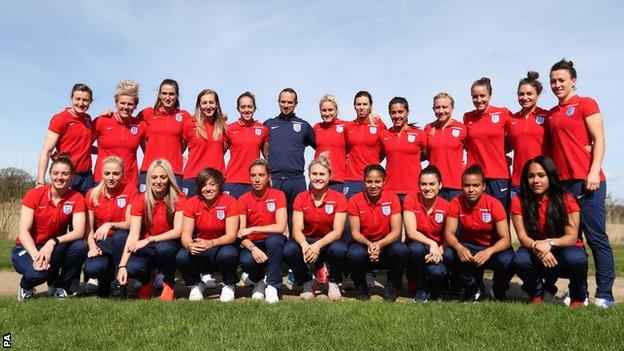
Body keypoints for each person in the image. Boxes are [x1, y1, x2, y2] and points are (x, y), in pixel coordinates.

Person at [547, 59, 615, 308]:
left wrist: (594, 171)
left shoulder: (586, 103)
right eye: (553, 81)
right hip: (563, 187)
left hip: (588, 183)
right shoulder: (552, 115)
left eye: (561, 80)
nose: (557, 85)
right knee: (572, 242)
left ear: (573, 80)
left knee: (596, 238)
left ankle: (605, 294)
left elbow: (599, 139)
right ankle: (579, 292)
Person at [510, 156, 588, 307]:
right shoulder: (518, 200)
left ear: (550, 176)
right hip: (535, 248)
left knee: (576, 259)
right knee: (519, 260)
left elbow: (571, 237)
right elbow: (522, 237)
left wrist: (549, 244)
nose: (536, 180)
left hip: (565, 248)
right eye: (531, 176)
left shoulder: (566, 198)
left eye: (541, 175)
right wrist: (541, 249)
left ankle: (578, 295)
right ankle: (537, 292)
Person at [13, 156, 87, 300]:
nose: (60, 177)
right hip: (27, 247)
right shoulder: (34, 194)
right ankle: (26, 286)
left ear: (71, 176)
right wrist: (36, 256)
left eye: (65, 174)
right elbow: (23, 231)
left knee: (80, 247)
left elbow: (79, 231)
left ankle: (59, 286)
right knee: (38, 273)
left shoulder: (76, 197)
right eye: (56, 173)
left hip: (53, 247)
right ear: (50, 175)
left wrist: (52, 242)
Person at [116, 159, 186, 301]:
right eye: (154, 177)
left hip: (169, 244)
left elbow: (178, 231)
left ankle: (169, 283)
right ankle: (147, 280)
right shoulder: (140, 200)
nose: (158, 181)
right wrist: (122, 265)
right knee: (133, 267)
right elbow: (133, 235)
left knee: (164, 248)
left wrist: (149, 239)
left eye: (163, 177)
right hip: (147, 246)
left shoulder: (179, 198)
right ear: (149, 179)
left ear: (169, 178)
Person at [443, 164, 514, 301]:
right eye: (467, 185)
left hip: (491, 248)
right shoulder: (456, 202)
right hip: (469, 247)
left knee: (509, 259)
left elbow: (506, 239)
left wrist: (489, 251)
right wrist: (459, 247)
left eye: (475, 185)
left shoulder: (494, 204)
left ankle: (498, 288)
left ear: (483, 186)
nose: (471, 190)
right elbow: (449, 234)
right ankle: (472, 286)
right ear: (461, 186)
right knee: (449, 254)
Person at [283, 152, 348, 300]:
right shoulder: (301, 197)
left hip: (329, 242)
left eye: (322, 174)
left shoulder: (339, 198)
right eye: (314, 174)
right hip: (308, 241)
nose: (318, 177)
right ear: (309, 175)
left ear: (330, 176)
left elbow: (338, 231)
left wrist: (317, 246)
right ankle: (307, 280)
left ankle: (333, 281)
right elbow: (296, 229)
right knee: (289, 249)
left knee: (340, 249)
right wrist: (305, 244)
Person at [176, 168, 240, 302]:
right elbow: (185, 235)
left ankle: (229, 284)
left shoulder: (230, 201)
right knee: (182, 256)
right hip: (201, 248)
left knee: (229, 254)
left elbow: (232, 235)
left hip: (222, 247)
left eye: (212, 184)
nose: (207, 188)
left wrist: (211, 243)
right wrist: (190, 246)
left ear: (220, 185)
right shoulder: (192, 202)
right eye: (203, 185)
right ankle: (195, 285)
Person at [346, 165, 408, 302]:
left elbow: (396, 232)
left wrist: (379, 245)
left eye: (377, 181)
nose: (373, 185)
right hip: (363, 245)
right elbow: (355, 232)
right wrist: (369, 244)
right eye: (369, 181)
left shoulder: (392, 199)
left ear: (384, 181)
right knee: (353, 254)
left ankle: (391, 286)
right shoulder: (354, 200)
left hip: (386, 245)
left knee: (401, 250)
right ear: (364, 181)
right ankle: (361, 287)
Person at [83, 156, 138, 297]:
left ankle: (120, 284)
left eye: (116, 173)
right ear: (101, 173)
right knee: (92, 268)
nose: (111, 178)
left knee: (120, 236)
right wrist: (92, 246)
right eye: (107, 173)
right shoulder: (92, 194)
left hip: (123, 241)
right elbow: (88, 227)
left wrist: (110, 224)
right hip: (102, 243)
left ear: (123, 173)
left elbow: (130, 223)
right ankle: (105, 282)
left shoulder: (130, 190)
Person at [263, 88, 315, 232]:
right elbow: (261, 144)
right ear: (278, 102)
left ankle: (296, 252)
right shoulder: (268, 124)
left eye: (289, 102)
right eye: (283, 102)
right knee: (271, 222)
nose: (286, 105)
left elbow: (321, 145)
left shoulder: (303, 125)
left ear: (296, 103)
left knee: (296, 225)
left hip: (296, 180)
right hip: (275, 180)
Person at [237, 159, 287, 303]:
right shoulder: (243, 199)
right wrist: (252, 248)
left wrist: (253, 228)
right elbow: (241, 233)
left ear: (269, 177)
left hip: (273, 241)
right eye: (253, 175)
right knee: (246, 261)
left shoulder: (278, 195)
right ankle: (258, 282)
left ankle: (272, 285)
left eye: (261, 175)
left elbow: (280, 227)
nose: (257, 179)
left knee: (275, 239)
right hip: (253, 243)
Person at [463, 78, 512, 210]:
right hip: (475, 178)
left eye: (482, 96)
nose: (479, 100)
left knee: (500, 220)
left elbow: (514, 138)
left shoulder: (503, 113)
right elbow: (467, 144)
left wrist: (501, 154)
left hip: (499, 176)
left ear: (490, 95)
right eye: (475, 96)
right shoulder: (467, 117)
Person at [36, 84, 94, 194]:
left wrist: (108, 150)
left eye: (85, 100)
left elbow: (85, 146)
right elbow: (47, 151)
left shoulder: (88, 119)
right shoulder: (60, 118)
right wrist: (40, 182)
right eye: (78, 99)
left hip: (87, 175)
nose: (81, 103)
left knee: (88, 210)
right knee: (65, 209)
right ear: (72, 98)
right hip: (68, 175)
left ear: (91, 101)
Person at [403, 165, 450, 302]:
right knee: (415, 248)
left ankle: (437, 290)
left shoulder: (447, 206)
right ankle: (421, 289)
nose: (427, 188)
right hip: (418, 247)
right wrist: (432, 243)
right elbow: (411, 232)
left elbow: (451, 236)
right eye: (423, 184)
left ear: (440, 185)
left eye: (432, 184)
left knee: (437, 272)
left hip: (437, 251)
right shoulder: (411, 199)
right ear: (419, 185)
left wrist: (440, 250)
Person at [137, 79, 191, 192]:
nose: (168, 97)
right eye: (164, 93)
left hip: (174, 171)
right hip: (149, 169)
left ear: (177, 96)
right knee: (146, 207)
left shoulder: (184, 116)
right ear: (160, 95)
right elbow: (131, 126)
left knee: (173, 208)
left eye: (171, 94)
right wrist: (110, 115)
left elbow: (187, 139)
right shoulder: (147, 113)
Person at [92, 80, 146, 187]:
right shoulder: (101, 121)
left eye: (130, 104)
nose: (125, 107)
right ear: (116, 104)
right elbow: (84, 146)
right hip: (103, 180)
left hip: (129, 182)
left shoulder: (141, 126)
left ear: (135, 106)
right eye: (122, 103)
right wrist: (101, 151)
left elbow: (148, 153)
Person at [506, 72, 549, 193]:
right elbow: (505, 146)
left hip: (542, 179)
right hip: (518, 180)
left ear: (538, 94)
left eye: (529, 94)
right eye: (521, 94)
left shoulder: (547, 116)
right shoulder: (511, 120)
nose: (525, 98)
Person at [181, 89, 227, 197]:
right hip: (193, 178)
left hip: (216, 179)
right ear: (199, 106)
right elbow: (179, 148)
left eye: (211, 102)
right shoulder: (189, 124)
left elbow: (222, 151)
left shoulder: (223, 127)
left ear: (216, 105)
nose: (208, 106)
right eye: (204, 103)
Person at [380, 97, 427, 202]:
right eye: (393, 112)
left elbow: (429, 155)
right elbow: (376, 157)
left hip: (414, 191)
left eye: (400, 112)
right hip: (390, 191)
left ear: (407, 112)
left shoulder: (419, 134)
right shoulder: (384, 135)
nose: (397, 116)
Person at [224, 92, 269, 198]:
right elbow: (218, 153)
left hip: (254, 182)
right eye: (243, 107)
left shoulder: (263, 129)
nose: (246, 110)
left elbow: (267, 156)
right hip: (232, 181)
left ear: (254, 108)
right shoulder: (229, 129)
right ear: (238, 109)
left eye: (250, 106)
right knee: (231, 214)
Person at [343, 91, 386, 200]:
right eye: (358, 104)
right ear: (354, 106)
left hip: (372, 179)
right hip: (351, 179)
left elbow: (384, 151)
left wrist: (372, 159)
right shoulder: (348, 127)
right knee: (349, 215)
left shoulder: (379, 125)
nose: (361, 107)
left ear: (370, 106)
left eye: (365, 104)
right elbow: (346, 149)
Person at [424, 93, 466, 201]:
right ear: (433, 109)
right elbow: (425, 154)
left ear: (452, 108)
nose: (441, 111)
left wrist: (467, 166)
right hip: (434, 185)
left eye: (445, 107)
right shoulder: (428, 128)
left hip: (455, 185)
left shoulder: (462, 128)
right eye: (437, 107)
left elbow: (475, 150)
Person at [313, 94, 348, 193]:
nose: (327, 113)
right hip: (318, 179)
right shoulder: (317, 127)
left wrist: (373, 116)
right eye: (324, 110)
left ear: (336, 110)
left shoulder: (346, 126)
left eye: (330, 110)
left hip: (338, 179)